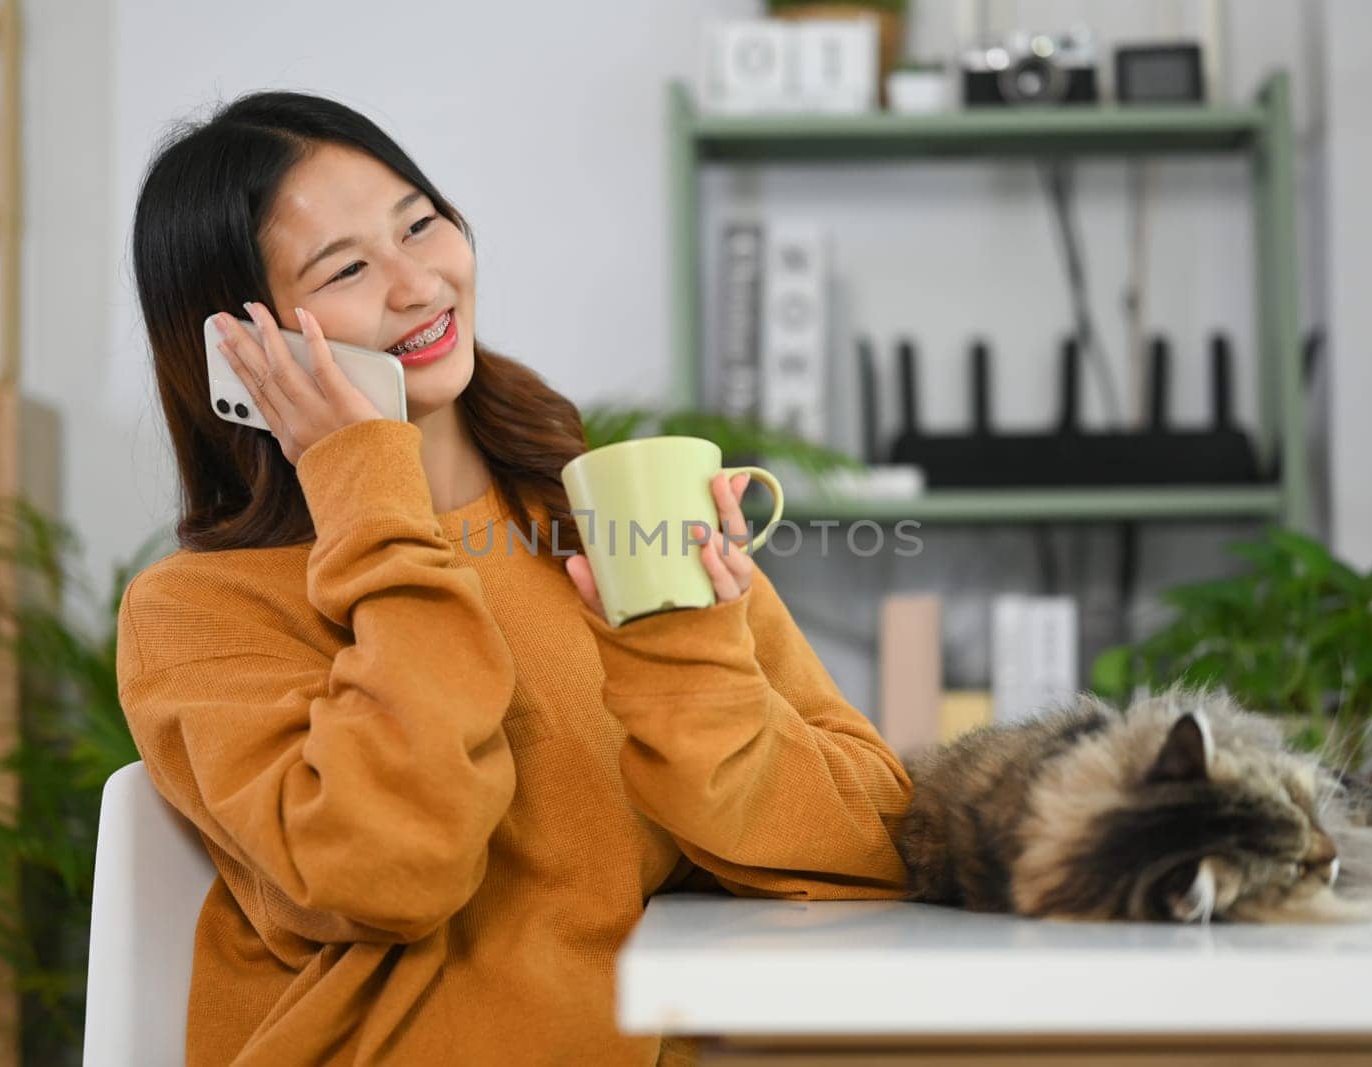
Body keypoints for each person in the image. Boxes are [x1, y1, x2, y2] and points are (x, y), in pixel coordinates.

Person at [116, 88, 912, 1067]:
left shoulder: (606, 516)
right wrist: (369, 496)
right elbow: (389, 871)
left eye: (421, 223)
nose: (417, 284)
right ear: (242, 349)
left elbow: (873, 840)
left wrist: (685, 664)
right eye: (348, 267)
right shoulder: (200, 611)